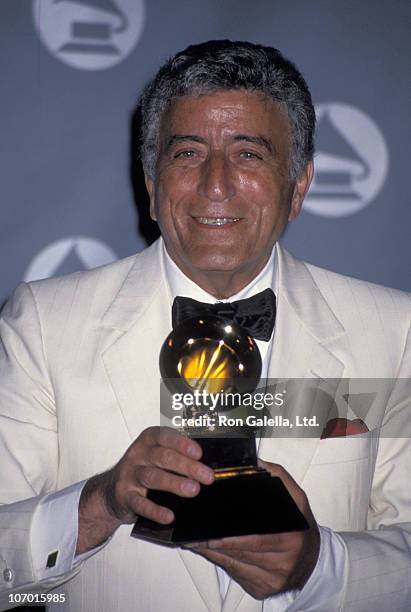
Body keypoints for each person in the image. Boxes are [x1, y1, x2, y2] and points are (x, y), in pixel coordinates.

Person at [0, 40, 410, 612]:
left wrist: (323, 569)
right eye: (187, 153)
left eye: (249, 154)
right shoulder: (42, 326)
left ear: (299, 186)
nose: (215, 185)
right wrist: (101, 504)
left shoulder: (395, 332)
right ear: (150, 183)